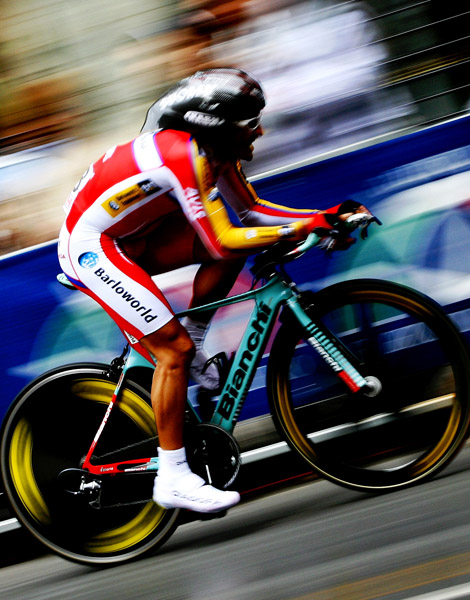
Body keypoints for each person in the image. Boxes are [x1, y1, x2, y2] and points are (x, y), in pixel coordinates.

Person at [58, 68, 366, 513]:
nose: (260, 129)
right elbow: (220, 237)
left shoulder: (216, 154)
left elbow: (253, 211)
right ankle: (173, 477)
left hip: (133, 235)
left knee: (230, 257)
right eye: (249, 122)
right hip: (93, 248)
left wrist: (321, 217)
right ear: (217, 126)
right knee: (172, 351)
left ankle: (196, 343)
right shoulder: (185, 156)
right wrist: (305, 227)